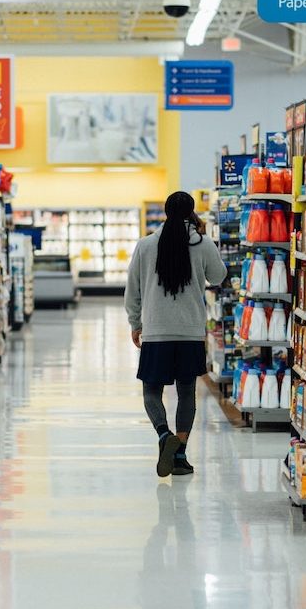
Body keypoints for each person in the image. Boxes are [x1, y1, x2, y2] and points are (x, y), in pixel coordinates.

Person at [125, 191, 227, 477]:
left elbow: (132, 290)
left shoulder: (146, 245)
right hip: (190, 332)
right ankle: (180, 455)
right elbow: (218, 277)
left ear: (166, 211)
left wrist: (136, 322)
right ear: (191, 212)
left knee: (151, 391)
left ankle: (163, 435)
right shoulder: (202, 243)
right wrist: (206, 241)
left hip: (156, 330)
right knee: (186, 392)